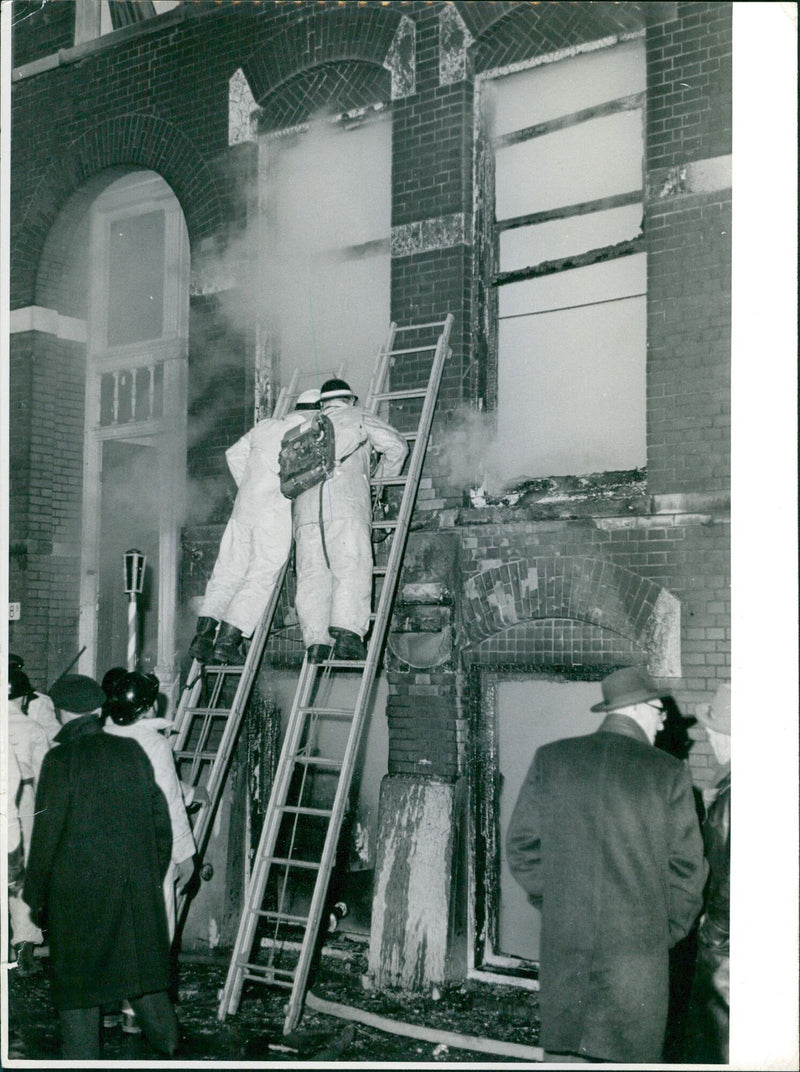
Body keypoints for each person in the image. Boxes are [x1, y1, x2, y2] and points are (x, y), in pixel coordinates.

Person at [506, 666, 707, 1063]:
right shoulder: (668, 772)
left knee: (566, 1055)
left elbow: (521, 848)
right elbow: (688, 875)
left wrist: (557, 903)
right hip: (636, 963)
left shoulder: (552, 759)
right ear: (638, 709)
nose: (662, 722)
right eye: (661, 712)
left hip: (567, 951)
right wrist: (661, 932)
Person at [23, 673, 182, 1059]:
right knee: (141, 977)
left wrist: (35, 897)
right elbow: (161, 823)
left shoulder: (60, 759)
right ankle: (171, 1048)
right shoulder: (132, 751)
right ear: (98, 710)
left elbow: (46, 836)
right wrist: (147, 876)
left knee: (78, 991)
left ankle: (82, 1061)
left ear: (61, 713)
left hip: (78, 897)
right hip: (131, 890)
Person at [188, 389, 321, 665]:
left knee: (226, 572)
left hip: (243, 510)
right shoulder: (311, 430)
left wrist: (248, 486)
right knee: (260, 575)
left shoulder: (266, 426)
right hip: (274, 513)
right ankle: (227, 641)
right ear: (316, 411)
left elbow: (234, 454)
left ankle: (202, 637)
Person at [293, 378, 408, 663]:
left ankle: (316, 643)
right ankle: (347, 634)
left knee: (313, 575)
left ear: (322, 403)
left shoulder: (304, 427)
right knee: (351, 566)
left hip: (305, 515)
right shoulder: (358, 416)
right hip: (346, 505)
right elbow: (397, 447)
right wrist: (379, 485)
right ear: (350, 400)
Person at [683, 681, 731, 1064]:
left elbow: (727, 883)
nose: (709, 738)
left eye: (716, 732)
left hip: (724, 954)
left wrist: (710, 936)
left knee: (715, 1047)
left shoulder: (732, 798)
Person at [7, 667, 51, 974]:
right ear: (23, 698)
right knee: (21, 874)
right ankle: (24, 945)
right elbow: (46, 775)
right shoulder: (33, 728)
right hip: (22, 802)